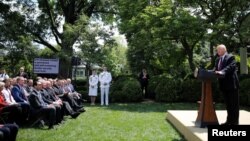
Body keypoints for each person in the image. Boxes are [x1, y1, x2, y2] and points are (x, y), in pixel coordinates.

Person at [214, 44, 239, 125]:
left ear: (224, 49)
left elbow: (230, 67)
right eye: (217, 50)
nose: (217, 51)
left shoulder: (230, 57)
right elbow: (215, 69)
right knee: (228, 105)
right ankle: (229, 121)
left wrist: (221, 71)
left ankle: (234, 123)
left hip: (232, 85)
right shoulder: (218, 59)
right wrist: (209, 72)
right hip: (223, 85)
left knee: (233, 105)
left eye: (219, 50)